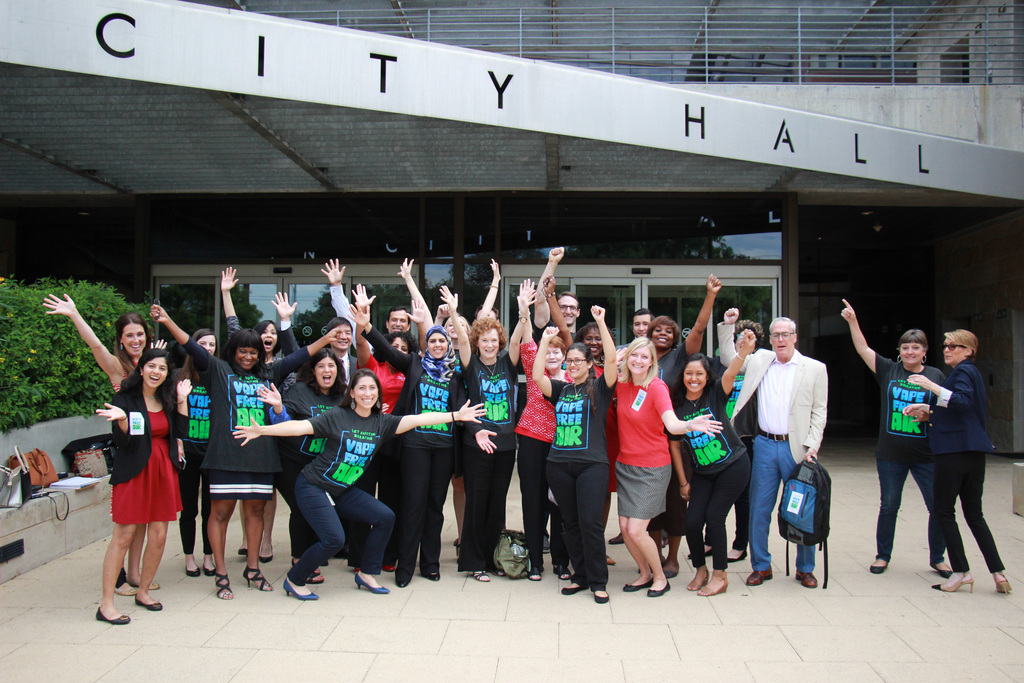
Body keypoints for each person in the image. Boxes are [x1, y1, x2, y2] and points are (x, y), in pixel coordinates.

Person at [232, 369, 485, 599]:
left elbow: (418, 419)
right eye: (362, 388)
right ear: (351, 392)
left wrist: (456, 415)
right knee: (333, 539)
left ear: (378, 394)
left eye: (372, 388)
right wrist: (262, 431)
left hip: (341, 491)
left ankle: (366, 572)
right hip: (314, 486)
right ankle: (295, 579)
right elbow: (300, 427)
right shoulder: (337, 417)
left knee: (385, 517)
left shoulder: (382, 423)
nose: (367, 393)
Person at [151, 304, 343, 600]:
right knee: (220, 514)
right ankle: (221, 573)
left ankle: (252, 569)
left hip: (262, 457)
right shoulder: (217, 369)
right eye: (243, 351)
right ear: (233, 351)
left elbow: (300, 356)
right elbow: (189, 344)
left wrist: (326, 340)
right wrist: (167, 319)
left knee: (255, 513)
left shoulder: (269, 372)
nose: (248, 356)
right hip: (226, 457)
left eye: (253, 352)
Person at [43, 294, 162, 596]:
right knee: (127, 524)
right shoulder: (117, 367)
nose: (136, 340)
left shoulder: (155, 365)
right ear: (121, 340)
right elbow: (95, 345)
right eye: (129, 336)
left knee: (145, 519)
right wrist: (74, 315)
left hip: (153, 450)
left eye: (140, 334)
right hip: (129, 449)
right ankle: (119, 579)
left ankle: (135, 575)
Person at [353, 296, 464, 588]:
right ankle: (405, 565)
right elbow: (388, 351)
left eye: (442, 342)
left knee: (434, 507)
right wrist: (366, 328)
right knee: (413, 505)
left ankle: (430, 564)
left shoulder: (455, 376)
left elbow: (463, 409)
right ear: (427, 345)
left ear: (448, 346)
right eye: (433, 341)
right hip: (415, 446)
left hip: (443, 448)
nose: (438, 346)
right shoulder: (414, 365)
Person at [840, 299, 952, 577]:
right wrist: (853, 321)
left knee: (937, 507)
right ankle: (883, 555)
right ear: (899, 351)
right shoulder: (890, 370)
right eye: (905, 347)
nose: (910, 351)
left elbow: (948, 409)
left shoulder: (936, 376)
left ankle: (938, 557)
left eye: (916, 347)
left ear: (925, 351)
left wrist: (929, 411)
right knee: (889, 505)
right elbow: (863, 349)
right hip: (891, 455)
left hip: (927, 455)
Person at [903, 330, 1011, 594]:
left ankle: (961, 572)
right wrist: (928, 413)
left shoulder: (963, 372)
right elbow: (964, 411)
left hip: (954, 454)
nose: (947, 349)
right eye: (945, 345)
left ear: (969, 350)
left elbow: (961, 402)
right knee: (974, 513)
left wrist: (932, 387)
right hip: (972, 452)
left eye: (954, 346)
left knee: (942, 510)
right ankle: (998, 573)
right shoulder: (969, 373)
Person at [614, 337, 722, 597]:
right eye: (634, 355)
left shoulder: (657, 387)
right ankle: (644, 572)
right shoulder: (621, 384)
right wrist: (615, 361)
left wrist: (689, 425)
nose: (638, 361)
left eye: (644, 357)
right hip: (625, 466)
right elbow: (606, 370)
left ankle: (660, 578)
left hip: (652, 468)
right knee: (626, 530)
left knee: (637, 530)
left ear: (652, 361)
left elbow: (672, 424)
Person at [94, 348, 190, 624]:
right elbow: (123, 443)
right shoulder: (124, 399)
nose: (156, 372)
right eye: (151, 366)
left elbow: (182, 433)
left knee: (159, 535)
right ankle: (106, 604)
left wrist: (182, 401)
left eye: (162, 368)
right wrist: (122, 422)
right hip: (135, 470)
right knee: (123, 536)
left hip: (164, 469)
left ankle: (144, 591)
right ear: (141, 368)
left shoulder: (168, 398)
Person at [733, 317, 828, 589]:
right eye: (776, 335)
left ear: (795, 337)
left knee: (803, 508)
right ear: (771, 339)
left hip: (796, 448)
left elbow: (819, 411)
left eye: (786, 334)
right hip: (764, 445)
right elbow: (731, 357)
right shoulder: (760, 360)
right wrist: (728, 327)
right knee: (759, 508)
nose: (781, 340)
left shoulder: (814, 368)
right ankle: (761, 566)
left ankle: (805, 568)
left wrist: (812, 445)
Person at [441, 284, 525, 581]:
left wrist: (523, 311)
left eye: (493, 340)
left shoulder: (507, 364)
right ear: (477, 342)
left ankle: (492, 559)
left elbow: (516, 341)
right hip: (476, 443)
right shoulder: (471, 364)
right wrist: (452, 308)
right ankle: (474, 563)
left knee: (496, 502)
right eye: (484, 340)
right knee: (476, 501)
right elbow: (462, 339)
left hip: (504, 445)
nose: (489, 344)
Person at [535, 307, 618, 603]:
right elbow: (536, 376)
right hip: (558, 465)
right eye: (569, 361)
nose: (572, 365)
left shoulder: (600, 388)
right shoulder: (560, 389)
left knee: (590, 523)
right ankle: (580, 576)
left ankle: (598, 581)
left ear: (588, 363)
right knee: (569, 524)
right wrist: (545, 341)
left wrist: (601, 322)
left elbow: (611, 360)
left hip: (592, 466)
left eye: (577, 361)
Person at [672, 340, 755, 597]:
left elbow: (731, 372)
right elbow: (675, 446)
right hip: (703, 473)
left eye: (699, 374)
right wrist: (684, 481)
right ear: (682, 375)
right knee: (694, 522)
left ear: (707, 376)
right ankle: (701, 570)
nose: (693, 378)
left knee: (714, 518)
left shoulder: (716, 393)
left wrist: (743, 352)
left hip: (733, 466)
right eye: (689, 373)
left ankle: (720, 575)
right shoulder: (677, 406)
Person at [514, 279, 574, 581]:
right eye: (547, 352)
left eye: (557, 353)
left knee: (561, 503)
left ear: (564, 356)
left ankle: (562, 562)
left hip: (562, 445)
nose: (552, 356)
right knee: (533, 500)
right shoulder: (533, 368)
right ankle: (535, 562)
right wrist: (524, 310)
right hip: (531, 442)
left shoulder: (572, 378)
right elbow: (527, 341)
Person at [276, 348, 347, 584]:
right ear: (312, 371)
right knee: (300, 509)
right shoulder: (299, 391)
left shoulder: (341, 396)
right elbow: (283, 421)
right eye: (321, 366)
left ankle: (310, 556)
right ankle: (299, 560)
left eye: (331, 366)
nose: (327, 370)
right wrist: (278, 408)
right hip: (292, 462)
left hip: (319, 466)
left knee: (314, 510)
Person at [713, 309, 765, 562]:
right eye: (738, 341)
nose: (742, 346)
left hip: (746, 441)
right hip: (721, 438)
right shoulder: (724, 364)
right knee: (714, 492)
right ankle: (712, 540)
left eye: (748, 341)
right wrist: (728, 326)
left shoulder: (760, 367)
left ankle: (740, 543)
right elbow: (727, 356)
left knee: (743, 497)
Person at [176, 328, 218, 579]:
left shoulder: (217, 376)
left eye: (212, 344)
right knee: (188, 509)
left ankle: (208, 556)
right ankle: (189, 557)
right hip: (188, 453)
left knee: (211, 510)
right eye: (202, 343)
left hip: (211, 453)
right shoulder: (179, 378)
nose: (208, 348)